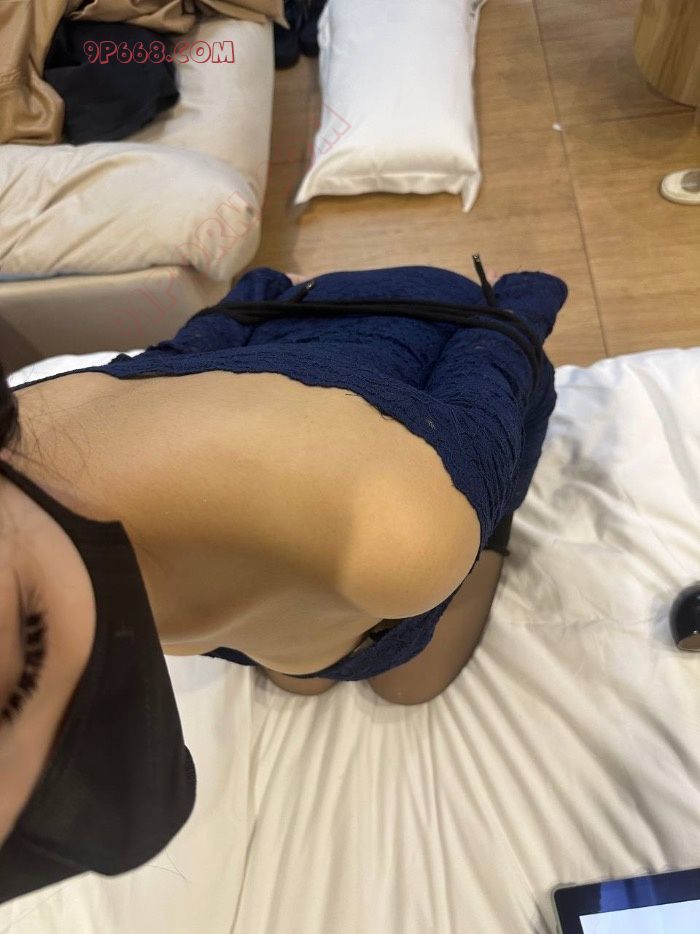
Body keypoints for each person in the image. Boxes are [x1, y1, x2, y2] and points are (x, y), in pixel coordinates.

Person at [0, 262, 567, 891]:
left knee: (408, 682)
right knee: (303, 669)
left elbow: (499, 361)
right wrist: (261, 294)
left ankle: (485, 527)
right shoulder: (41, 437)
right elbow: (178, 361)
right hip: (291, 331)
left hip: (440, 346)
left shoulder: (393, 531)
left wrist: (513, 302)